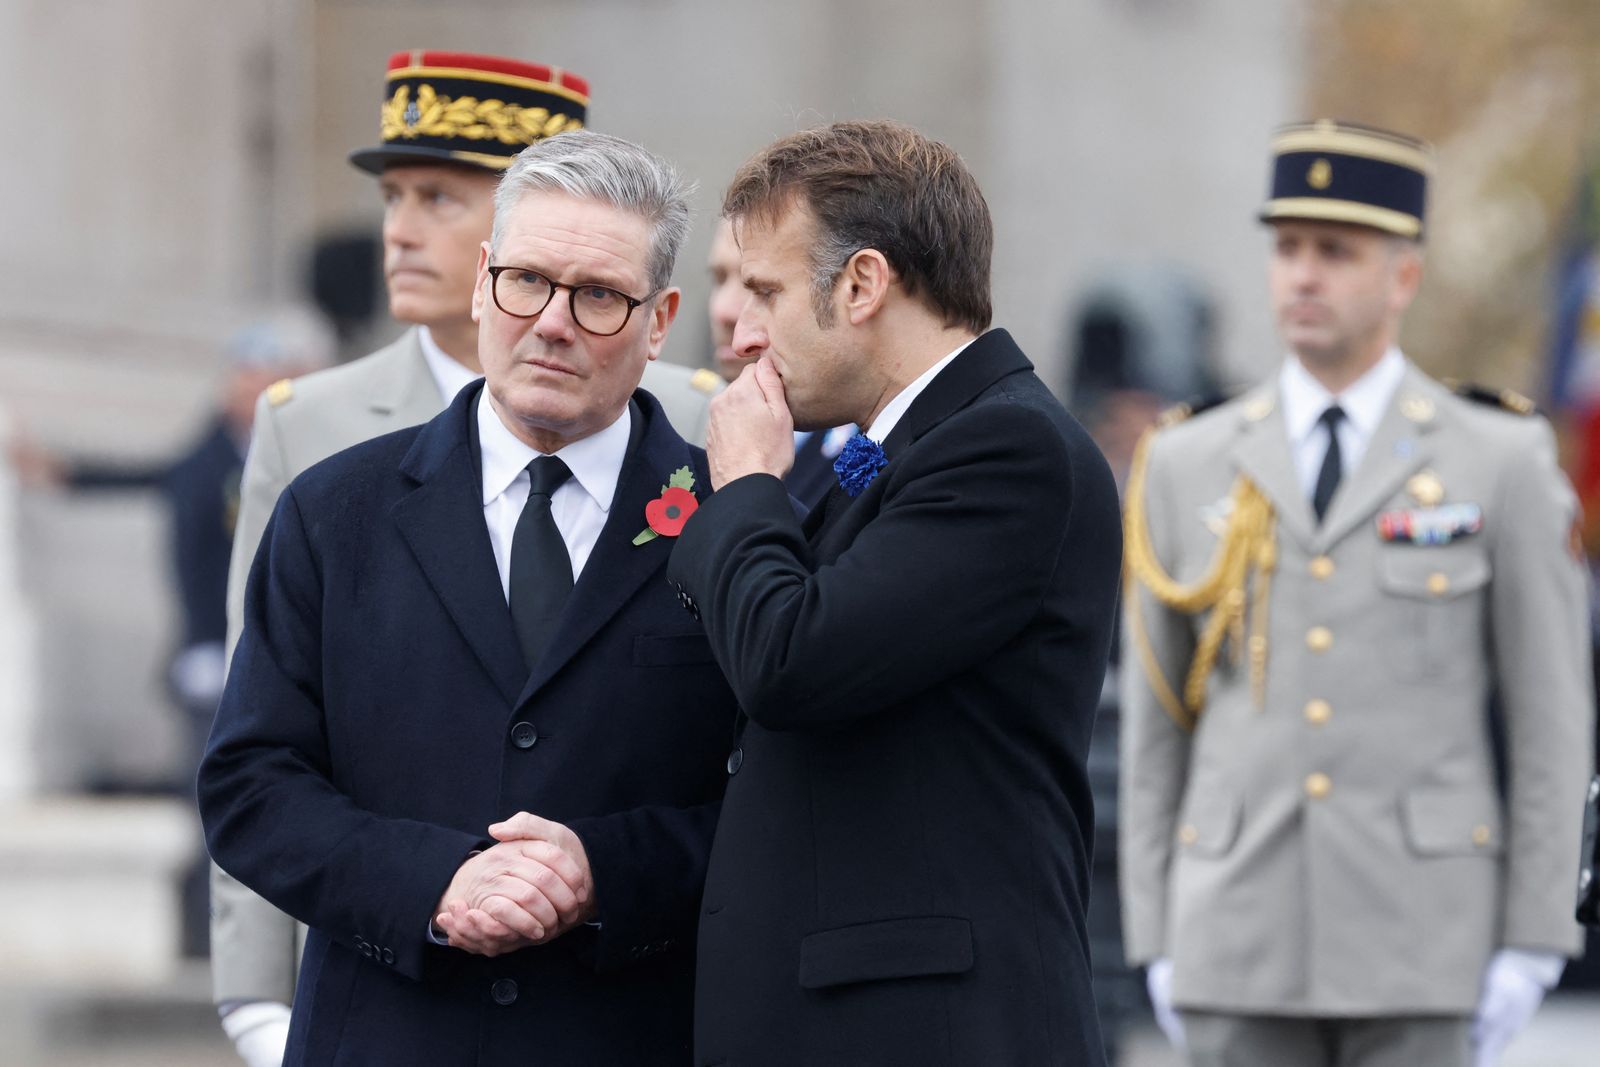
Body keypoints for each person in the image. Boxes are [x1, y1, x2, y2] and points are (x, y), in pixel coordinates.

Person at [208, 51, 722, 1065]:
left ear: (659, 322)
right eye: (527, 280)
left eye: (600, 297)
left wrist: (602, 871)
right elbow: (254, 779)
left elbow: (779, 798)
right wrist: (429, 882)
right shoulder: (335, 509)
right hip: (391, 1026)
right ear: (485, 286)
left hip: (636, 1033)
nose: (553, 324)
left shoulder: (730, 520)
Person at [1120, 120, 1595, 1067]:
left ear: (1403, 277)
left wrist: (1537, 932)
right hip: (1234, 933)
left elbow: (1551, 717)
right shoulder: (1187, 460)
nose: (1302, 275)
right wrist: (1156, 929)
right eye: (1287, 248)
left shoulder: (1497, 457)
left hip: (1424, 937)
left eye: (1335, 252)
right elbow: (1157, 720)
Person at [661, 120, 1122, 1065]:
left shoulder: (1007, 449)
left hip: (924, 1026)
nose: (741, 333)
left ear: (863, 284)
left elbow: (791, 660)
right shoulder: (900, 446)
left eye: (766, 292)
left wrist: (747, 484)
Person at [706, 215, 849, 509]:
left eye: (762, 290)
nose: (725, 311)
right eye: (719, 278)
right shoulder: (683, 421)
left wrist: (746, 487)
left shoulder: (882, 451)